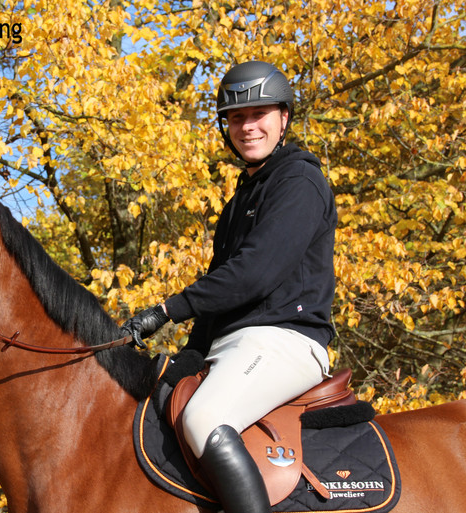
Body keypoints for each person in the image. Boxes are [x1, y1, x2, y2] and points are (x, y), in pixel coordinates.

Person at [122, 61, 337, 513]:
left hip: (286, 340)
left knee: (204, 418)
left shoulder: (299, 181)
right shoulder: (241, 199)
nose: (247, 126)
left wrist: (166, 309)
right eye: (236, 117)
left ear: (284, 117)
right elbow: (221, 296)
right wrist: (190, 355)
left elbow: (255, 273)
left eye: (259, 113)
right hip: (234, 344)